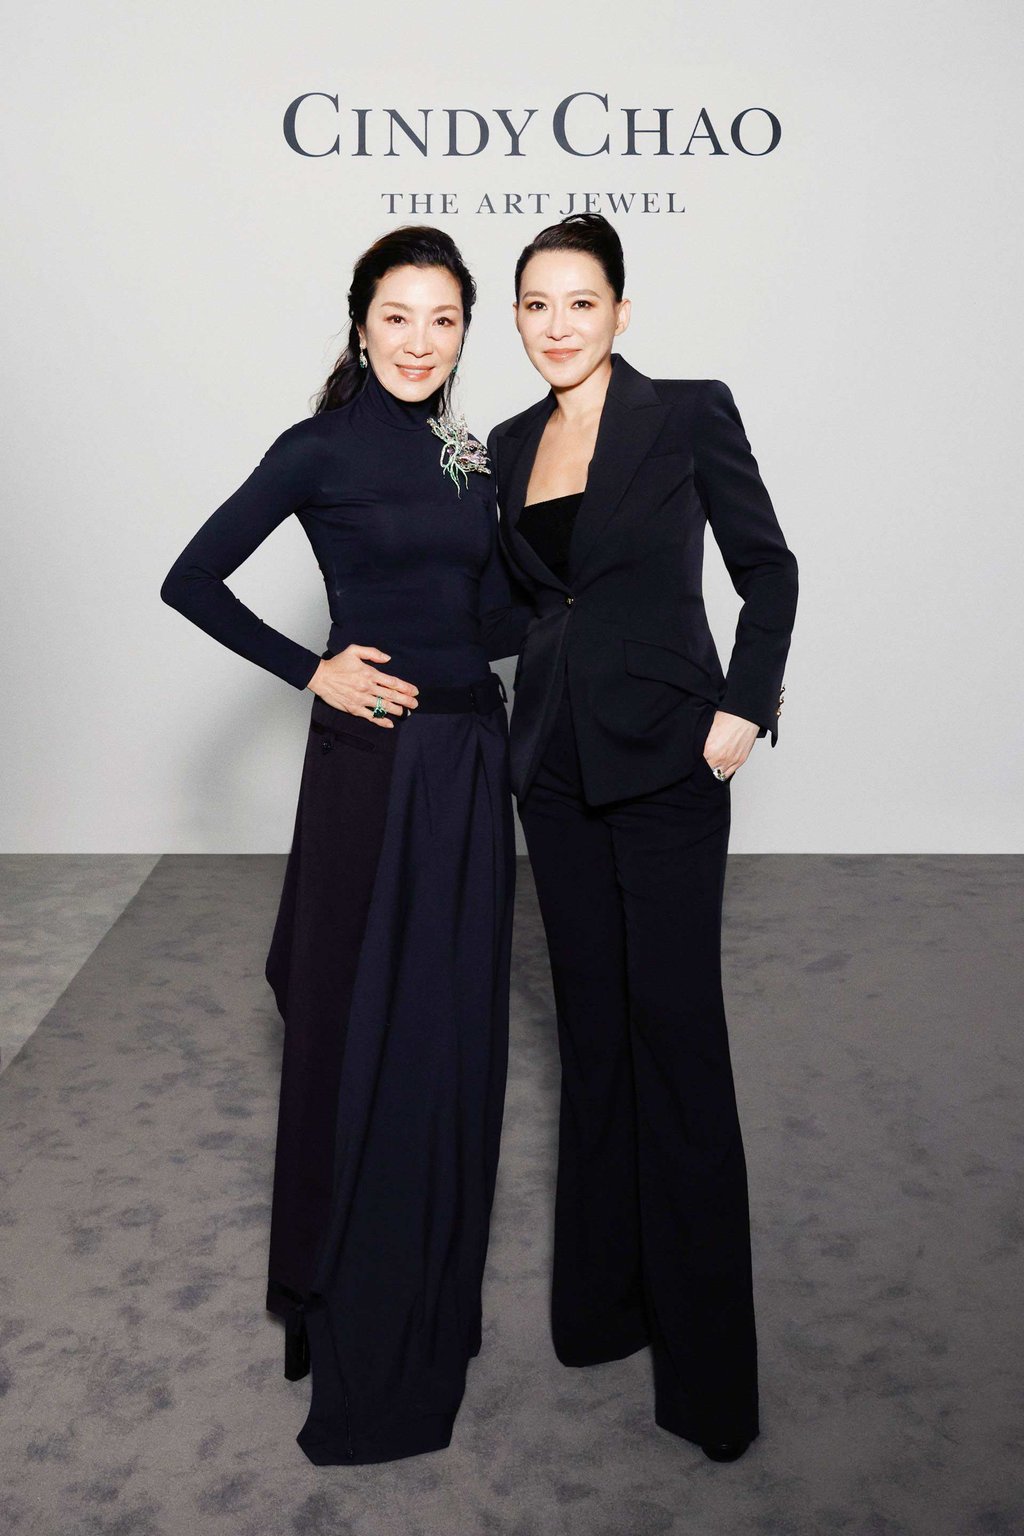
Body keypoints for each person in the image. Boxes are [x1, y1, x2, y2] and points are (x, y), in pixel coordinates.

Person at [160, 226, 526, 1465]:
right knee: (366, 1027)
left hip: (475, 761)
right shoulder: (320, 447)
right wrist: (310, 670)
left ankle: (429, 1268)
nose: (421, 341)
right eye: (398, 316)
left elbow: (481, 611)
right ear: (359, 322)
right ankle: (346, 1287)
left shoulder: (466, 450)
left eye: (444, 319)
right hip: (377, 769)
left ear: (464, 329)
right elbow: (192, 578)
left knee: (456, 1034)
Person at [487, 213, 799, 1462]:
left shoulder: (685, 412)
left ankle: (709, 1379)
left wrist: (744, 704)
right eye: (535, 305)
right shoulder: (506, 443)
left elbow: (766, 567)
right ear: (516, 319)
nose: (556, 324)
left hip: (669, 760)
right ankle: (604, 1308)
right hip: (553, 769)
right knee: (593, 1041)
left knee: (677, 1046)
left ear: (621, 310)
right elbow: (515, 608)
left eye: (579, 301)